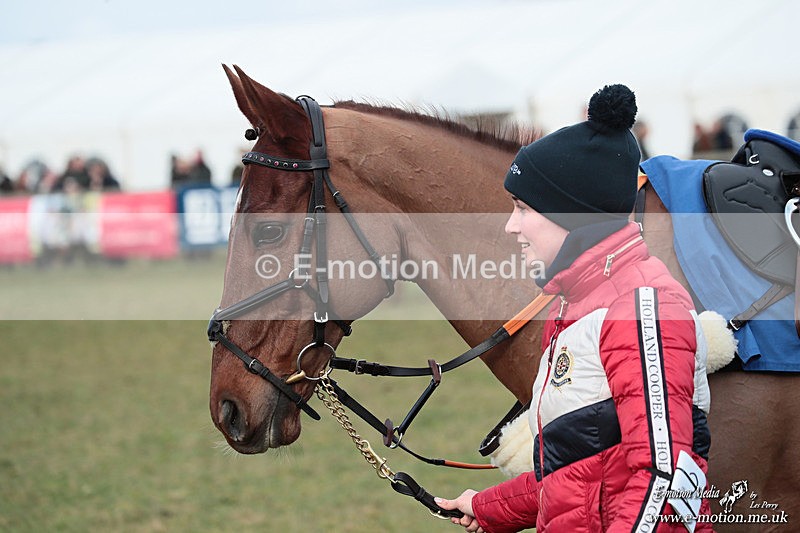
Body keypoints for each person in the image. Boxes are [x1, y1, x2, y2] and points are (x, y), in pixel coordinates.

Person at [436, 84, 712, 532]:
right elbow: (583, 474)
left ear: (573, 217)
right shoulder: (579, 305)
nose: (511, 226)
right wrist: (488, 506)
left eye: (523, 208)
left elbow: (665, 481)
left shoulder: (640, 308)